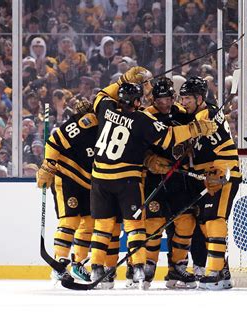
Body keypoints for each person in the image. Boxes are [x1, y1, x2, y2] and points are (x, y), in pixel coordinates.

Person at [89, 69, 217, 290]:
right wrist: (195, 129)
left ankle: (96, 269)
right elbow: (169, 137)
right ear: (141, 100)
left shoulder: (107, 108)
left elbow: (101, 94)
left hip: (100, 178)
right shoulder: (142, 119)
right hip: (127, 179)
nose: (165, 103)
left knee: (103, 225)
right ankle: (138, 268)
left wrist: (123, 79)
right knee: (136, 225)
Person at [179, 76, 242, 290]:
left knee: (215, 219)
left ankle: (213, 273)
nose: (183, 102)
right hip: (207, 176)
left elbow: (224, 147)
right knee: (206, 223)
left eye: (187, 98)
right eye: (182, 98)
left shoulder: (207, 115)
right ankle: (223, 274)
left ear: (199, 98)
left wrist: (218, 171)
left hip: (222, 175)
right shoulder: (199, 115)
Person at [139, 77, 198, 289]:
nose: (163, 103)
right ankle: (148, 265)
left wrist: (191, 147)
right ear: (153, 99)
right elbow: (136, 145)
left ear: (172, 97)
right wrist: (148, 159)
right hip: (154, 178)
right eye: (159, 99)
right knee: (154, 223)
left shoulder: (183, 114)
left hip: (179, 177)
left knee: (186, 220)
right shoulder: (145, 116)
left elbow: (193, 137)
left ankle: (178, 266)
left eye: (166, 99)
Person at [36, 97, 98, 283]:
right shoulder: (77, 125)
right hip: (67, 178)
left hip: (89, 182)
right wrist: (47, 167)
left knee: (89, 222)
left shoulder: (103, 126)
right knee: (70, 220)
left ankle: (78, 263)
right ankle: (59, 264)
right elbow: (53, 142)